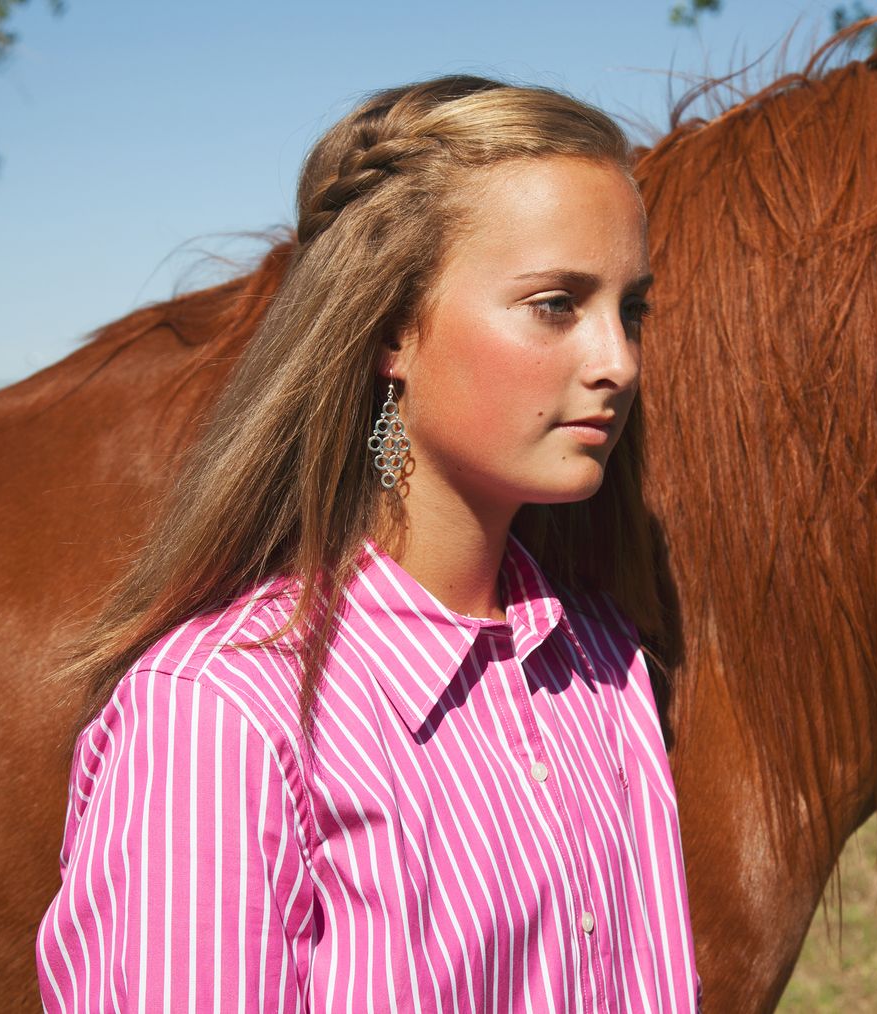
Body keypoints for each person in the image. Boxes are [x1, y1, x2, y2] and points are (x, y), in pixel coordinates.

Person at [35, 74, 701, 1012]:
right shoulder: (219, 718)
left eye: (630, 309)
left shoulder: (603, 666)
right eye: (556, 303)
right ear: (390, 327)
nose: (618, 362)